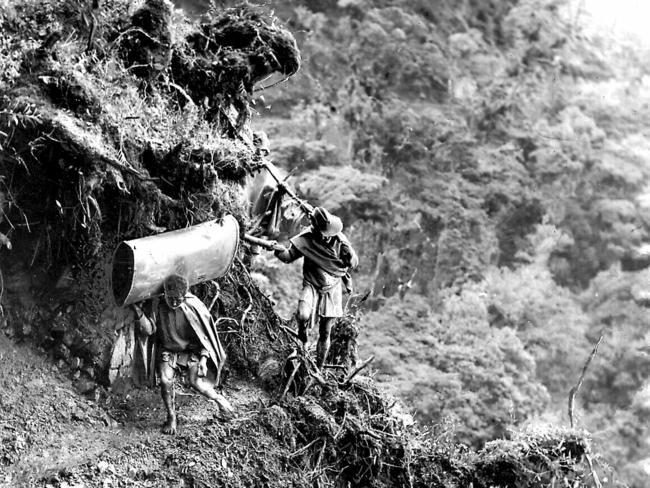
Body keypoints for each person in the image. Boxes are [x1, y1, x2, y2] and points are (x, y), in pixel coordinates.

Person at [133, 274, 233, 434]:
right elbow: (149, 330)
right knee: (165, 381)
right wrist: (138, 312)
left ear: (184, 295)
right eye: (170, 298)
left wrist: (203, 359)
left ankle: (219, 400)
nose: (173, 302)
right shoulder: (157, 306)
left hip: (190, 352)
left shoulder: (193, 307)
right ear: (164, 293)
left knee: (197, 383)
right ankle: (171, 417)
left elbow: (204, 338)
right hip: (169, 351)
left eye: (178, 299)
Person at [273, 207, 359, 369]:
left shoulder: (340, 241)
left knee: (325, 331)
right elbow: (288, 256)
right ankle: (302, 336)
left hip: (332, 287)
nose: (327, 237)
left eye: (330, 234)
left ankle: (318, 368)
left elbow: (353, 264)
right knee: (303, 314)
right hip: (312, 283)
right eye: (324, 234)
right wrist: (278, 250)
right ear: (316, 229)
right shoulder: (306, 238)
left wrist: (351, 256)